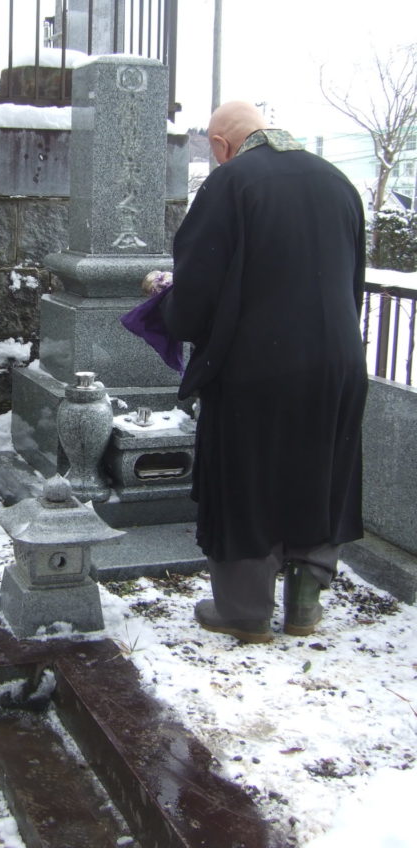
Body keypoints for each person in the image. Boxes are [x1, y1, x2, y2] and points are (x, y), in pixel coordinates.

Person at [142, 101, 367, 643]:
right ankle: (305, 607)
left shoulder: (231, 184)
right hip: (337, 358)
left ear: (220, 145)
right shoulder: (338, 181)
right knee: (320, 472)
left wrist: (163, 301)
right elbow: (352, 277)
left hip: (257, 366)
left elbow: (198, 294)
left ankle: (245, 613)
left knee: (247, 479)